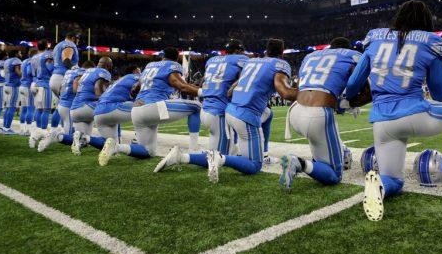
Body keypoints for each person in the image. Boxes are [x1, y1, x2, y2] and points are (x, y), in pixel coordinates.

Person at [345, 0, 442, 221]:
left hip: (382, 123)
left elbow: (351, 87)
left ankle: (381, 188)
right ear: (426, 21)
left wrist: (352, 101)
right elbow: (440, 93)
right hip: (414, 114)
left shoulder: (374, 38)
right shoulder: (431, 41)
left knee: (394, 180)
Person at [199, 39, 296, 183]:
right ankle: (221, 158)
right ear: (282, 52)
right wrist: (310, 93)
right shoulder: (279, 64)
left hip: (228, 110)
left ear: (266, 51)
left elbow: (230, 91)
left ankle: (185, 157)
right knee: (253, 165)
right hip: (244, 115)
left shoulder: (251, 62)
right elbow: (285, 93)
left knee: (268, 114)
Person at [279, 37, 361, 190]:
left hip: (295, 110)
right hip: (317, 114)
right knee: (335, 175)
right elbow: (360, 87)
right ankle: (299, 163)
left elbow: (302, 86)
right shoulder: (352, 55)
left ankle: (315, 162)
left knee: (321, 149)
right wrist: (350, 102)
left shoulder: (310, 56)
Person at [154, 40, 248, 173]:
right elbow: (246, 81)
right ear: (238, 51)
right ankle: (180, 157)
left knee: (221, 152)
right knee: (218, 157)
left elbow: (204, 81)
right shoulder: (241, 59)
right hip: (219, 112)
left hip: (206, 109)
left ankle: (184, 157)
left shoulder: (212, 60)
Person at [98, 47, 201, 166]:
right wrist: (203, 91)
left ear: (162, 56)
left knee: (148, 151)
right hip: (153, 107)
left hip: (136, 111)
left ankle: (116, 147)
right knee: (197, 106)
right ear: (176, 58)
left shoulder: (149, 66)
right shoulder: (172, 65)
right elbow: (182, 86)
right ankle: (194, 150)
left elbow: (134, 89)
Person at [37, 60, 93, 152]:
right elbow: (76, 88)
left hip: (62, 102)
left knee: (72, 130)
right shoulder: (82, 72)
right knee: (70, 136)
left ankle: (81, 141)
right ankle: (51, 136)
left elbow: (60, 87)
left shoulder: (68, 72)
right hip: (68, 104)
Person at [91, 65, 141, 163]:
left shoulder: (118, 81)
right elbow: (142, 86)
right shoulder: (133, 77)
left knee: (111, 146)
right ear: (135, 71)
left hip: (98, 113)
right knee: (145, 107)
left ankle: (85, 138)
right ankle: (138, 139)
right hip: (112, 108)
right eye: (139, 71)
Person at [69, 57, 113, 155]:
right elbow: (98, 88)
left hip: (74, 109)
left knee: (84, 140)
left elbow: (75, 88)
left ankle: (76, 136)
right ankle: (114, 141)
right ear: (108, 65)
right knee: (112, 111)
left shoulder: (87, 71)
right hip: (87, 106)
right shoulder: (103, 72)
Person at [48, 32, 80, 135]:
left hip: (55, 77)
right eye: (77, 39)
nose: (78, 41)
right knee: (67, 107)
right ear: (72, 38)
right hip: (63, 78)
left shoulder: (58, 45)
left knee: (60, 107)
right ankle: (67, 134)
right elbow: (66, 59)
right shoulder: (69, 44)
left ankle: (54, 131)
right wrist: (75, 69)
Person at [28, 40, 53, 148]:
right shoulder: (48, 55)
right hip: (45, 84)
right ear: (47, 46)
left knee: (38, 109)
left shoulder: (33, 57)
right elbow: (50, 68)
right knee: (46, 110)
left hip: (36, 83)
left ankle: (35, 134)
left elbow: (31, 72)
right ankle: (43, 134)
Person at [2, 49, 22, 135]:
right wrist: (23, 75)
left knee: (8, 107)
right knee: (12, 107)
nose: (20, 53)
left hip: (6, 85)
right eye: (19, 52)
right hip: (13, 86)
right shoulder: (16, 60)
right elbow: (17, 71)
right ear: (16, 53)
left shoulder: (6, 61)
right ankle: (7, 128)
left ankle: (4, 127)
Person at [18, 49, 37, 136]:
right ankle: (28, 130)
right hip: (28, 86)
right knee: (31, 108)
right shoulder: (31, 61)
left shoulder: (24, 61)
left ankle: (22, 129)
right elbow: (29, 72)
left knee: (24, 109)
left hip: (22, 85)